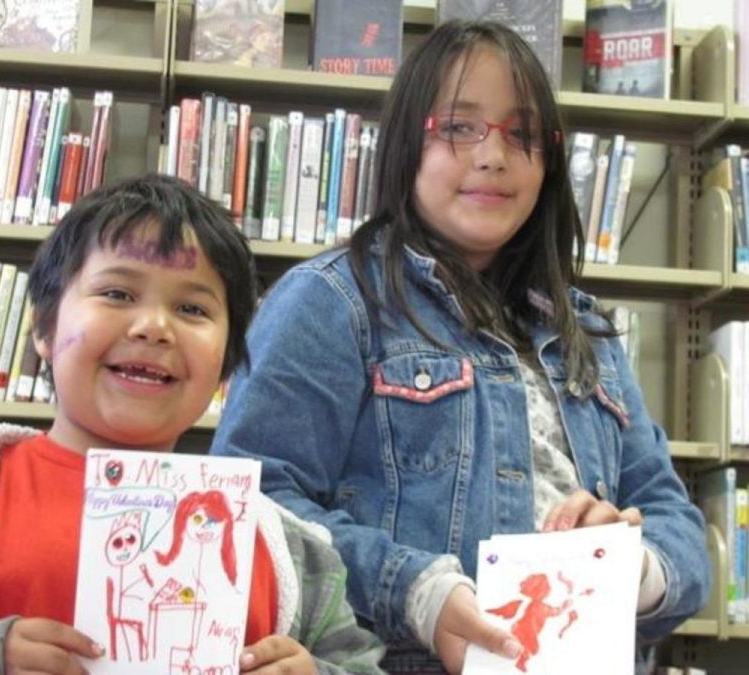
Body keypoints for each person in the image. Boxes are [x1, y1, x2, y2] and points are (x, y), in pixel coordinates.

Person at [210, 19, 710, 674]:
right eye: (458, 126)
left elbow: (676, 520)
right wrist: (417, 591)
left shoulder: (585, 332)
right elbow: (256, 503)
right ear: (405, 144)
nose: (493, 155)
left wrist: (629, 562)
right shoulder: (330, 303)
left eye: (522, 133)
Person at [0, 173, 386, 674]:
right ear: (43, 327)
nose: (154, 327)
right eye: (117, 294)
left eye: (193, 310)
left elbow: (358, 662)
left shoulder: (290, 550)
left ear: (226, 363)